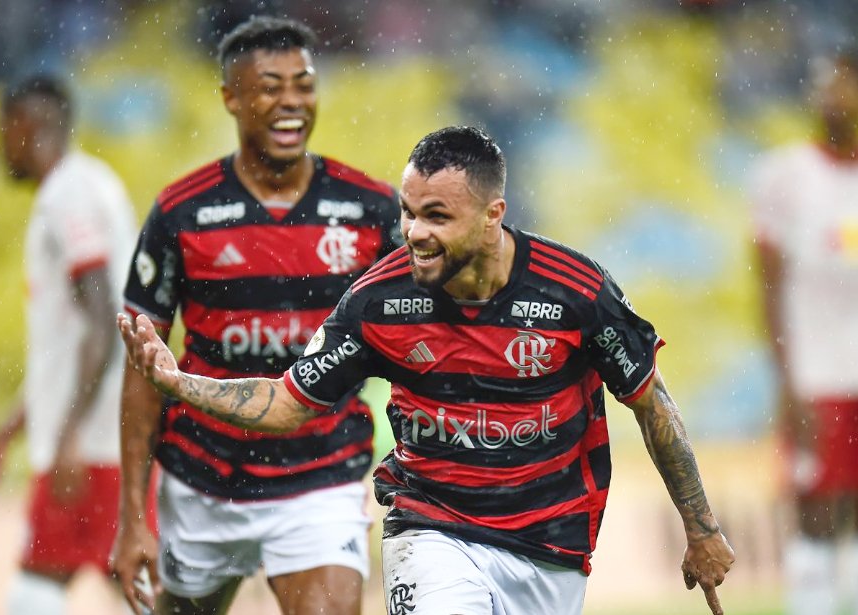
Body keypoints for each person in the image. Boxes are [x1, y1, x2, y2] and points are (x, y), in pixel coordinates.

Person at [118, 125, 736, 615]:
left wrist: (702, 528)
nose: (414, 232)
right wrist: (179, 384)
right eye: (410, 212)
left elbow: (652, 404)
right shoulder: (377, 302)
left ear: (493, 216)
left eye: (437, 216)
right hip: (431, 527)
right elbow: (287, 402)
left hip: (551, 544)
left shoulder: (575, 291)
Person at [109, 16, 401, 615]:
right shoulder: (180, 213)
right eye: (270, 86)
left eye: (303, 84)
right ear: (232, 98)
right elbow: (142, 371)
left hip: (320, 480)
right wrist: (129, 519)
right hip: (203, 481)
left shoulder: (370, 211)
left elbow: (420, 342)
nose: (291, 101)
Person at [0, 75, 137, 615]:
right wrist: (6, 434)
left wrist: (65, 437)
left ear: (26, 127)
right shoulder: (96, 183)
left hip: (89, 447)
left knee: (36, 597)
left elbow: (102, 321)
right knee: (136, 589)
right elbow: (68, 347)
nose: (1, 145)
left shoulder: (68, 196)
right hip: (107, 438)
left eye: (3, 130)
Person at [751, 47, 858, 615]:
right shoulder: (785, 175)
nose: (831, 96)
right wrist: (786, 378)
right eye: (823, 84)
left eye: (843, 84)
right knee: (814, 517)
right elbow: (768, 286)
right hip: (815, 374)